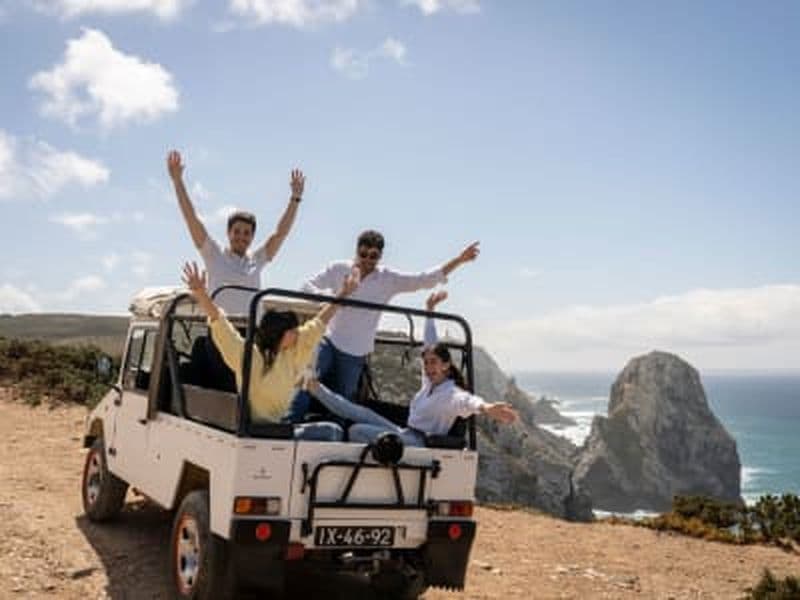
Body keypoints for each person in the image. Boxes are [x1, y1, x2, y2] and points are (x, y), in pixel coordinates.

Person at [287, 230, 480, 422]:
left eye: (373, 256)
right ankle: (289, 424)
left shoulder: (387, 279)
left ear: (379, 256)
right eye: (363, 254)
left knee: (342, 403)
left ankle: (332, 434)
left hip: (355, 352)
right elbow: (307, 286)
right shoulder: (339, 269)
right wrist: (329, 301)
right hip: (329, 339)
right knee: (305, 376)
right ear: (356, 251)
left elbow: (423, 279)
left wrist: (459, 260)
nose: (367, 260)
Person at [303, 291, 518, 446]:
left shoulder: (452, 394)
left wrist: (487, 408)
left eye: (433, 362)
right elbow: (429, 342)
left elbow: (469, 401)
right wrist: (430, 311)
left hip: (418, 442)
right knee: (359, 411)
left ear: (446, 365)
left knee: (357, 430)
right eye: (426, 362)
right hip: (405, 432)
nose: (428, 367)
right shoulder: (429, 383)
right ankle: (313, 386)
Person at [181, 261, 361, 440]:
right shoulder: (249, 355)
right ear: (278, 334)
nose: (297, 332)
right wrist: (201, 294)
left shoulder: (293, 351)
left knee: (333, 430)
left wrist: (343, 294)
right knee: (331, 432)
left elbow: (319, 322)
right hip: (257, 431)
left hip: (281, 427)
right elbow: (220, 323)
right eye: (292, 329)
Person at [167, 149, 305, 315]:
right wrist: (177, 181)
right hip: (222, 332)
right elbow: (192, 219)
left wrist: (295, 199)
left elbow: (280, 234)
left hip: (250, 333)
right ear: (228, 232)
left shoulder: (257, 259)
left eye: (247, 233)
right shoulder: (214, 253)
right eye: (237, 231)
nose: (241, 237)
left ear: (252, 237)